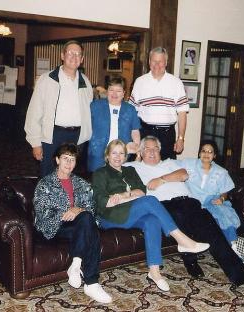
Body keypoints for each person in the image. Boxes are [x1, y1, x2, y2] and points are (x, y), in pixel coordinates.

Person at [125, 136, 244, 286]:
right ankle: (190, 261)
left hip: (187, 201)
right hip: (162, 205)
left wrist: (161, 179)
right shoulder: (134, 167)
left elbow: (183, 174)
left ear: (160, 150)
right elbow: (114, 164)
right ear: (141, 152)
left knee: (210, 226)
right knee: (180, 217)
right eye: (147, 149)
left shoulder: (170, 163)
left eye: (155, 148)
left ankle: (238, 273)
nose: (152, 152)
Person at [92, 139, 210, 292]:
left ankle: (154, 272)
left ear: (126, 156)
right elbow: (103, 202)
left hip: (128, 210)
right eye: (114, 153)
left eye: (121, 153)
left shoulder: (130, 171)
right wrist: (127, 197)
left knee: (152, 220)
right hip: (109, 216)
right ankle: (182, 240)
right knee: (150, 201)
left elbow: (141, 191)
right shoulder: (100, 173)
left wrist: (123, 195)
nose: (118, 156)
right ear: (107, 155)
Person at [33, 143, 112, 304]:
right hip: (53, 228)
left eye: (73, 160)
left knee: (87, 220)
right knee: (88, 226)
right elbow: (41, 214)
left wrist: (78, 209)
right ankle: (91, 282)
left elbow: (91, 208)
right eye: (65, 159)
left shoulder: (82, 184)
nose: (69, 163)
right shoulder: (45, 184)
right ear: (57, 160)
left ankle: (77, 266)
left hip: (79, 226)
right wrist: (65, 214)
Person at [24, 40, 93, 177]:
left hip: (77, 137)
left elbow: (89, 110)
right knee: (49, 175)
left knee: (70, 176)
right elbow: (34, 112)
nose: (74, 57)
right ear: (62, 56)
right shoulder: (47, 79)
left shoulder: (85, 81)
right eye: (70, 53)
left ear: (82, 59)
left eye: (78, 54)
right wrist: (35, 143)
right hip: (53, 135)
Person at [177, 140, 241, 251]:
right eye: (203, 151)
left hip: (211, 201)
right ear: (199, 153)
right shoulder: (188, 163)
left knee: (223, 212)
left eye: (210, 152)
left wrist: (222, 198)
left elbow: (224, 191)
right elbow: (169, 165)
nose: (206, 154)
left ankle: (234, 245)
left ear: (214, 155)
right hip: (192, 202)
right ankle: (231, 246)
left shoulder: (221, 172)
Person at [129, 47, 188, 160]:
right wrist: (132, 138)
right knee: (142, 168)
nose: (157, 64)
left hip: (167, 135)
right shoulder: (140, 81)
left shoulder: (176, 82)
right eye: (153, 61)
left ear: (166, 62)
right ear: (149, 62)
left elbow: (182, 114)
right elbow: (131, 112)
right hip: (145, 132)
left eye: (160, 61)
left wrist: (181, 138)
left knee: (167, 167)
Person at [88, 77, 141, 172]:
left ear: (124, 93)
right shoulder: (95, 106)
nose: (114, 94)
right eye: (111, 89)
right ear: (106, 91)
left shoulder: (130, 109)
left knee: (119, 182)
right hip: (98, 152)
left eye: (118, 91)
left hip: (121, 154)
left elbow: (135, 130)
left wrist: (136, 146)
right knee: (98, 181)